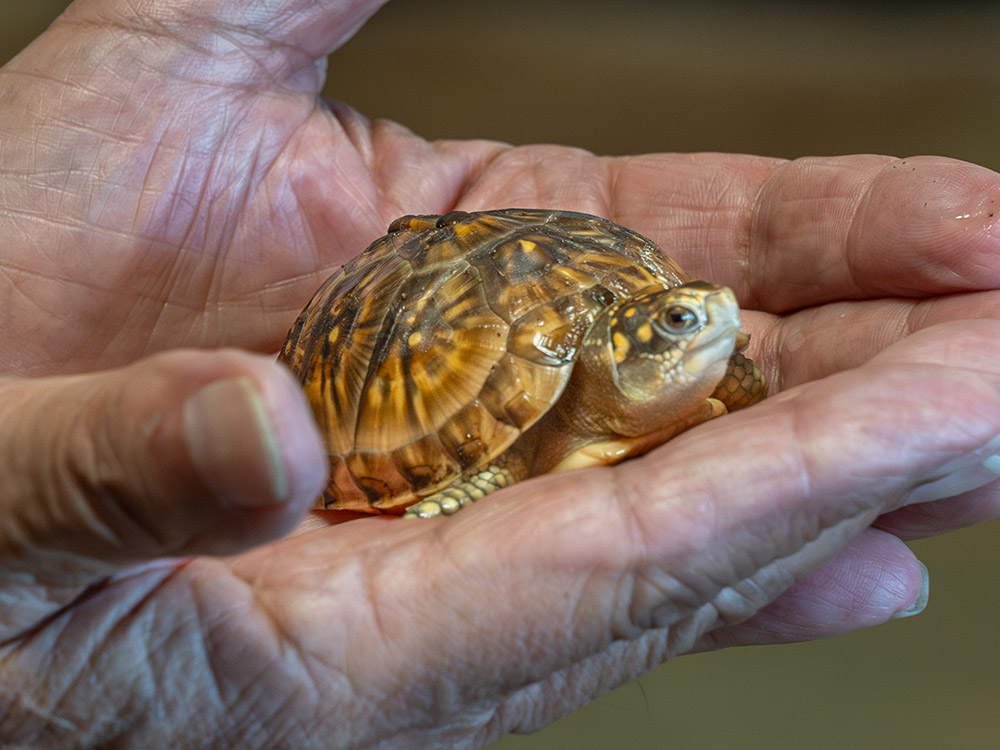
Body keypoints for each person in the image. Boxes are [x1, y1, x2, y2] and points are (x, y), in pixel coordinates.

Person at [1, 0, 997, 746]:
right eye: (682, 325)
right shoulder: (531, 409)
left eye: (701, 320)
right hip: (397, 365)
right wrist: (454, 480)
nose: (712, 334)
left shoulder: (703, 365)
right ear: (619, 352)